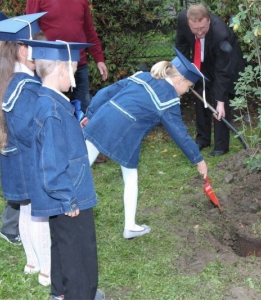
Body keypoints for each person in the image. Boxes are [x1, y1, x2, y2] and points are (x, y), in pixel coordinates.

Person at [81, 48, 208, 239]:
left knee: (81, 167)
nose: (187, 91)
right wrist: (198, 159)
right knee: (100, 173)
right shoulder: (169, 100)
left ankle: (129, 226)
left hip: (104, 119)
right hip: (123, 130)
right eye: (189, 87)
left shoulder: (144, 76)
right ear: (180, 80)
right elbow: (180, 134)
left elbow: (106, 92)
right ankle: (63, 212)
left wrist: (90, 114)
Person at [19, 38, 104, 300]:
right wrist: (67, 199)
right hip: (70, 194)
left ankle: (62, 292)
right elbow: (52, 162)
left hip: (65, 192)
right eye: (73, 68)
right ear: (59, 69)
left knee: (63, 245)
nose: (75, 74)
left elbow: (54, 146)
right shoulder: (52, 110)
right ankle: (80, 294)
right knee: (80, 251)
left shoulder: (49, 101)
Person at [0, 12, 51, 286]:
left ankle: (32, 262)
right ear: (23, 50)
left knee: (26, 211)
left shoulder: (8, 78)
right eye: (40, 47)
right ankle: (47, 271)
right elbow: (29, 128)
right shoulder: (27, 85)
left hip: (14, 157)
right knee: (40, 215)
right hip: (28, 159)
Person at [175, 3, 246, 156]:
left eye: (203, 28)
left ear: (208, 20)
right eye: (195, 29)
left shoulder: (220, 33)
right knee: (200, 93)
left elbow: (222, 73)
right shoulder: (182, 19)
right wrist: (186, 70)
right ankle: (203, 139)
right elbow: (181, 44)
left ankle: (221, 145)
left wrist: (219, 101)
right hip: (202, 60)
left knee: (220, 98)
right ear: (188, 22)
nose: (199, 32)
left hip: (225, 62)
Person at [26, 0, 108, 113]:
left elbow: (89, 30)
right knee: (47, 109)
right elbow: (30, 28)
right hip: (50, 65)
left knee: (83, 111)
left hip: (78, 64)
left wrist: (99, 59)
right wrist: (30, 56)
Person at [0, 12, 22, 245]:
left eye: (3, 46)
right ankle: (10, 227)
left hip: (13, 129)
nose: (0, 51)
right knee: (16, 174)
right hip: (4, 132)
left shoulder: (12, 70)